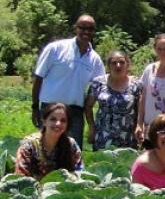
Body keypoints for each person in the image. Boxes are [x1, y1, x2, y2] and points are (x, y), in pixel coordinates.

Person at [32, 14, 105, 149]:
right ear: (75, 28)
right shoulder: (55, 48)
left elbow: (100, 86)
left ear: (94, 31)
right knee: (46, 150)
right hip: (50, 109)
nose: (86, 32)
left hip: (75, 113)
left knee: (72, 153)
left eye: (90, 29)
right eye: (82, 28)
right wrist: (35, 107)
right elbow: (38, 77)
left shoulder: (95, 59)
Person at [84, 50, 142, 150]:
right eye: (114, 63)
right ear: (108, 66)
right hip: (103, 135)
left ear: (127, 64)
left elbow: (141, 110)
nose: (118, 65)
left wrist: (139, 126)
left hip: (127, 136)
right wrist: (92, 128)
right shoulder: (98, 82)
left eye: (121, 62)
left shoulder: (136, 84)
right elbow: (88, 106)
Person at [15, 103, 83, 179]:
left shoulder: (71, 144)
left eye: (63, 120)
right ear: (44, 121)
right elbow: (20, 176)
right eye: (53, 119)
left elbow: (80, 172)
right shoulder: (29, 145)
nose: (58, 124)